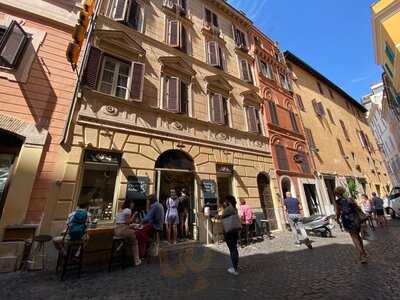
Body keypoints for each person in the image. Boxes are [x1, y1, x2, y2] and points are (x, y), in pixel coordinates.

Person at [334, 187, 367, 263]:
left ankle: (362, 255)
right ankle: (363, 252)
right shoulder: (350, 199)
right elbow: (357, 208)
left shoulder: (338, 202)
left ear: (336, 193)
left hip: (347, 220)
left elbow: (338, 212)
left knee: (354, 238)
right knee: (358, 236)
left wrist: (337, 219)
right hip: (356, 218)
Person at [114, 200, 141, 266]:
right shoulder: (128, 210)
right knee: (135, 240)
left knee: (128, 238)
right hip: (123, 230)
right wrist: (134, 215)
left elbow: (122, 222)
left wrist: (131, 225)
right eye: (132, 203)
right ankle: (137, 261)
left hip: (116, 230)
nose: (133, 205)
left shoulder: (120, 210)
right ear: (129, 204)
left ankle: (120, 247)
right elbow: (128, 222)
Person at [222, 195, 240, 276]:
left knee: (232, 249)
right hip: (235, 231)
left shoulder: (228, 209)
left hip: (229, 232)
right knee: (234, 248)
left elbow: (223, 218)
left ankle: (234, 268)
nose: (223, 203)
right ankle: (235, 265)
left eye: (225, 201)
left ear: (228, 202)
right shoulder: (234, 208)